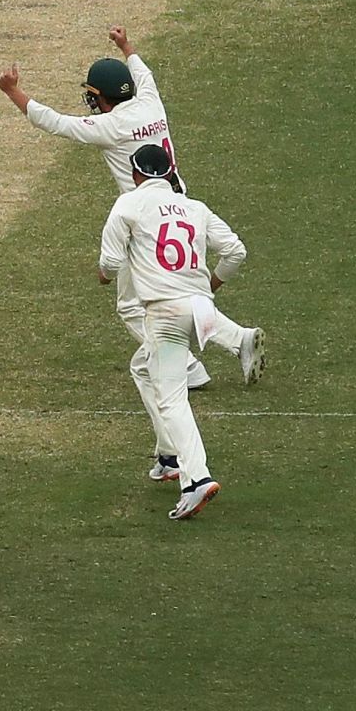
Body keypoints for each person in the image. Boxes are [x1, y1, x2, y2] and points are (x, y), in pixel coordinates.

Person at [0, 27, 264, 481]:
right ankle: (223, 346)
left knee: (130, 307)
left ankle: (195, 362)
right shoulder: (151, 101)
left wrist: (13, 92)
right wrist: (126, 47)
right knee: (173, 299)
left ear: (102, 98)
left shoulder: (111, 124)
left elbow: (55, 123)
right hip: (182, 210)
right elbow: (143, 70)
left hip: (143, 220)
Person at [99, 146, 251, 520]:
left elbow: (110, 265)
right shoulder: (194, 207)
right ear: (168, 174)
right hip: (199, 307)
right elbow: (235, 252)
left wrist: (104, 275)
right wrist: (211, 284)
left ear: (136, 175)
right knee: (142, 368)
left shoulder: (128, 205)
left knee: (172, 399)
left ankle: (195, 479)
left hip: (163, 312)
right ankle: (168, 456)